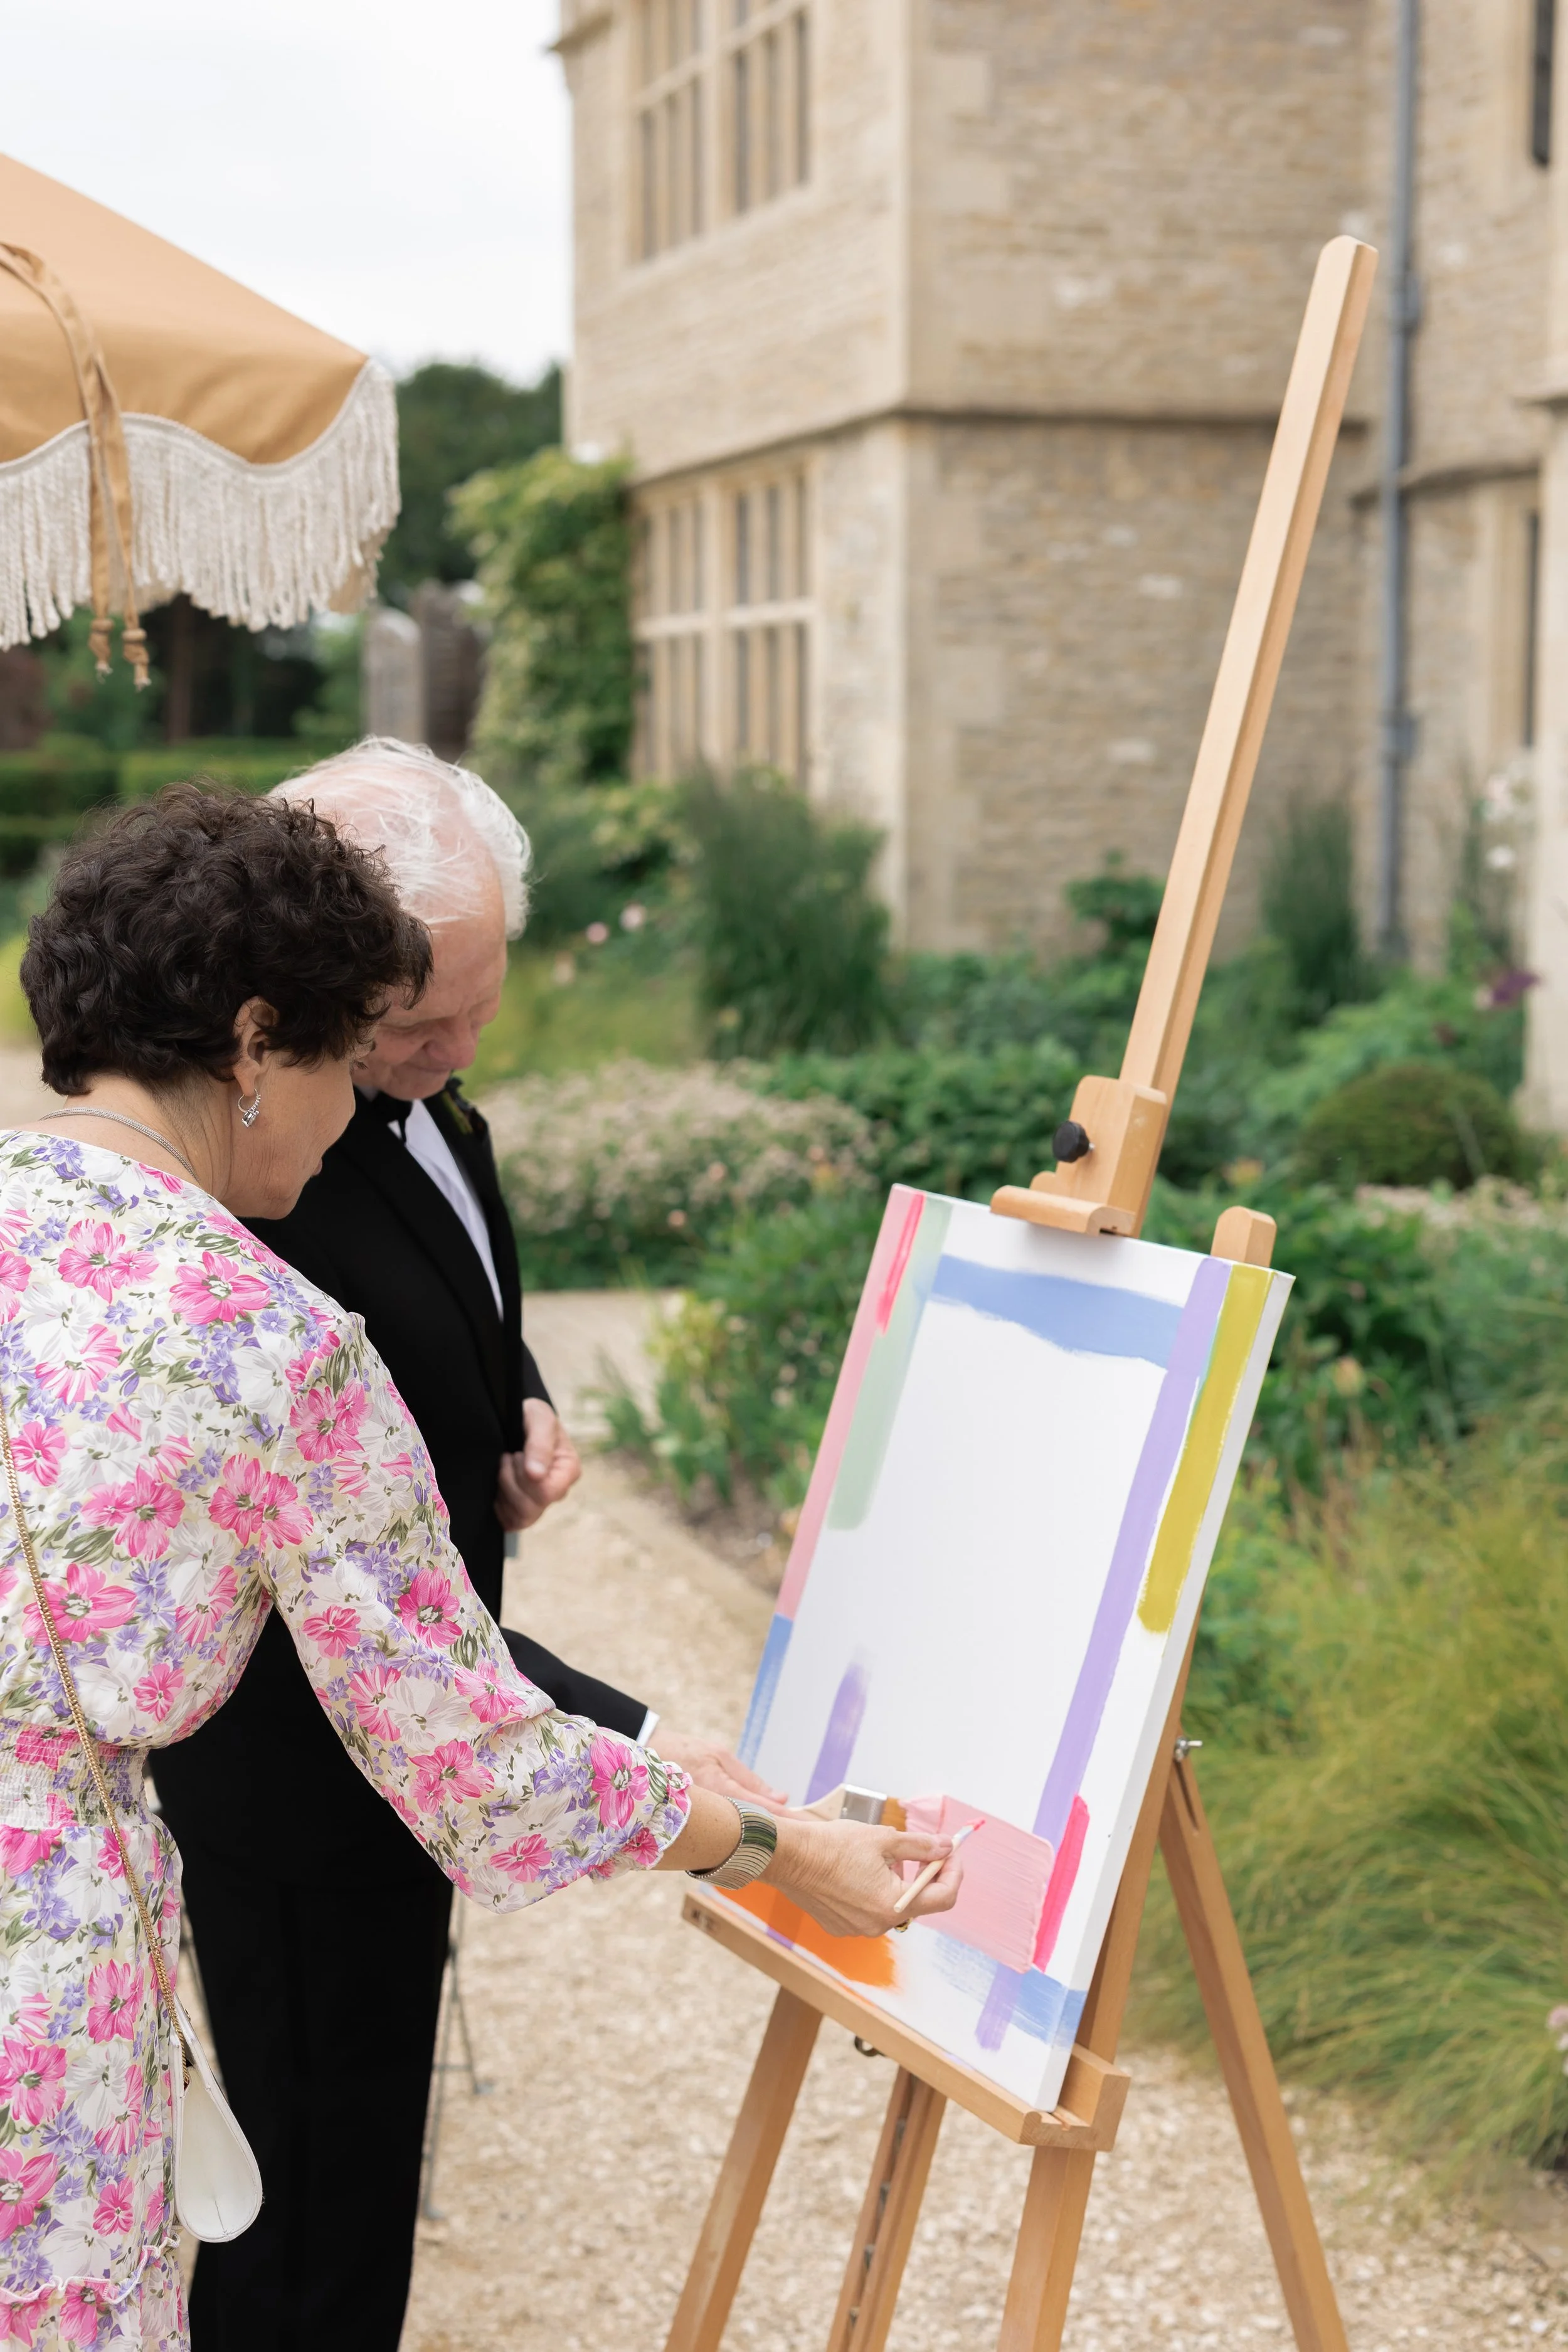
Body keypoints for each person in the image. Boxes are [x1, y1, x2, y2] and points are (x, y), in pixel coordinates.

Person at [0, 786, 958, 2352]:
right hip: (44, 1971)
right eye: (348, 1053)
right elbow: (476, 1759)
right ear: (254, 1046)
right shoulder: (274, 1342)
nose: (357, 1109)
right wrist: (776, 1846)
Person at [149, 742, 776, 2351]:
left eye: (481, 1007)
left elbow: (455, 1285)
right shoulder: (267, 1183)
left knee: (363, 2166)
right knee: (304, 2207)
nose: (457, 1049)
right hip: (308, 1764)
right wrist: (645, 1747)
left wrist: (519, 1394)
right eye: (420, 1019)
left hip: (424, 1734)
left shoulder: (425, 1097)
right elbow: (359, 1597)